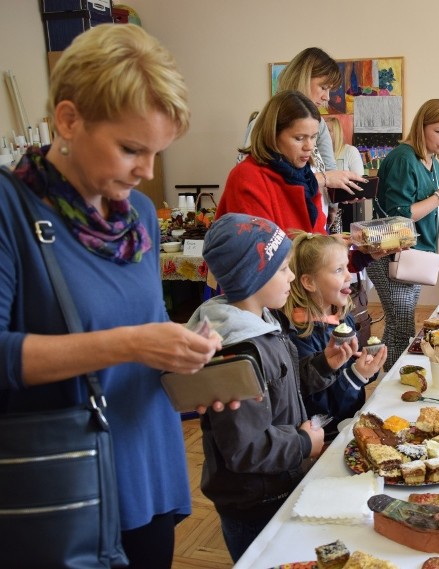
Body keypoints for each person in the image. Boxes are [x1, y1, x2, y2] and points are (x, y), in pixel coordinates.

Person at [0, 24, 221, 567]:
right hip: (63, 481)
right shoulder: (12, 212)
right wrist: (130, 344)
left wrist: (189, 364)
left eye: (156, 152)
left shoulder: (139, 216)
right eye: (130, 149)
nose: (147, 173)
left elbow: (141, 343)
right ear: (69, 119)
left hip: (148, 464)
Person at [186, 213, 358, 561]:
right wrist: (302, 443)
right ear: (253, 277)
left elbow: (285, 383)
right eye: (282, 270)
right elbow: (245, 446)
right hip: (256, 502)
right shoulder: (235, 351)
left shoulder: (261, 324)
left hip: (279, 482)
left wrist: (326, 363)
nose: (292, 277)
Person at [367, 99, 439, 369]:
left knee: (402, 327)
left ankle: (393, 384)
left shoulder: (431, 160)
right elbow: (399, 216)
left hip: (414, 257)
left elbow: (420, 211)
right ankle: (391, 391)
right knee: (401, 328)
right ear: (422, 127)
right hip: (391, 255)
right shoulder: (403, 158)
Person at [282, 232, 387, 439]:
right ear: (309, 282)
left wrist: (367, 367)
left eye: (347, 267)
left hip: (352, 422)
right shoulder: (301, 334)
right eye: (339, 270)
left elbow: (354, 371)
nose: (349, 276)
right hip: (326, 437)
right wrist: (357, 375)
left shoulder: (341, 318)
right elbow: (322, 407)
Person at [218, 90, 329, 233]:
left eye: (313, 137)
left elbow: (317, 235)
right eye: (299, 138)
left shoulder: (306, 176)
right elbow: (260, 248)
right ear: (273, 135)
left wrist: (331, 245)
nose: (310, 147)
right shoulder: (247, 176)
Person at [275, 47, 366, 203]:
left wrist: (337, 196)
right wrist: (325, 179)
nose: (327, 97)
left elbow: (329, 170)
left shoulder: (320, 123)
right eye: (323, 87)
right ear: (302, 78)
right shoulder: (269, 121)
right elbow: (273, 185)